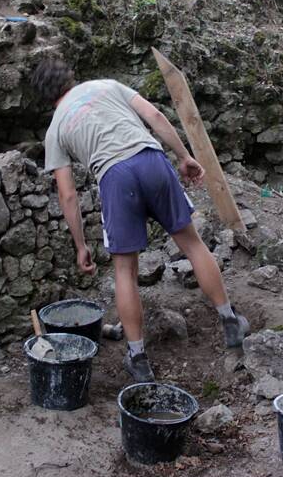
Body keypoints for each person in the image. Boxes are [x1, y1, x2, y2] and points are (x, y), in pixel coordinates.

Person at [32, 59, 250, 383]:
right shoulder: (107, 85)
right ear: (69, 78)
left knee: (125, 270)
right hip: (150, 159)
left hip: (115, 177)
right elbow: (156, 117)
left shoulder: (55, 130)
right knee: (192, 244)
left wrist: (80, 245)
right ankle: (229, 319)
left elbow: (67, 195)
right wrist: (184, 156)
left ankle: (138, 357)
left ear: (45, 97)